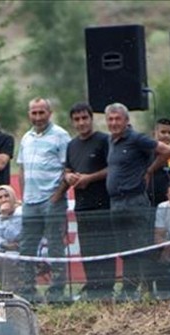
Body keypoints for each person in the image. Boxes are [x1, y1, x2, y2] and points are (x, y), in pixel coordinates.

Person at [105, 102, 170, 295]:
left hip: (134, 200)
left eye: (117, 118)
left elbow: (168, 151)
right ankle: (129, 289)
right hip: (116, 203)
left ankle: (148, 290)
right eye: (110, 119)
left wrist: (150, 170)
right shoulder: (111, 141)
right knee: (125, 250)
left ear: (126, 120)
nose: (114, 123)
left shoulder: (136, 138)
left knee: (142, 247)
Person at [16, 98, 69, 293]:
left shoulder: (61, 136)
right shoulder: (26, 138)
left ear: (50, 112)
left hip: (51, 199)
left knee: (55, 245)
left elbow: (67, 169)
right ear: (29, 114)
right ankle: (28, 289)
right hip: (30, 201)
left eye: (41, 113)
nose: (37, 117)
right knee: (26, 246)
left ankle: (57, 289)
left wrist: (57, 195)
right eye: (34, 113)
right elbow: (21, 169)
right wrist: (24, 195)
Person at [64, 101, 112, 294]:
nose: (81, 122)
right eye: (77, 119)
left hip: (103, 203)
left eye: (85, 118)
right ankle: (92, 284)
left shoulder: (104, 140)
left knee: (105, 247)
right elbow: (67, 169)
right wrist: (68, 176)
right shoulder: (71, 145)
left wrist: (89, 178)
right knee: (87, 248)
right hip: (82, 205)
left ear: (91, 119)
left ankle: (107, 286)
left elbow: (112, 168)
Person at [0, 184, 27, 294]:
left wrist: (5, 217)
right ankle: (6, 290)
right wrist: (3, 244)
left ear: (13, 197)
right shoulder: (1, 217)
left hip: (26, 251)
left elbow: (15, 234)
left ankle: (11, 292)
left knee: (7, 259)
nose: (3, 200)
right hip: (10, 251)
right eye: (0, 198)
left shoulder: (21, 211)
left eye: (6, 196)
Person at [146, 117, 170, 206]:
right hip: (149, 200)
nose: (166, 135)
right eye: (163, 132)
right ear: (154, 133)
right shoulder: (146, 154)